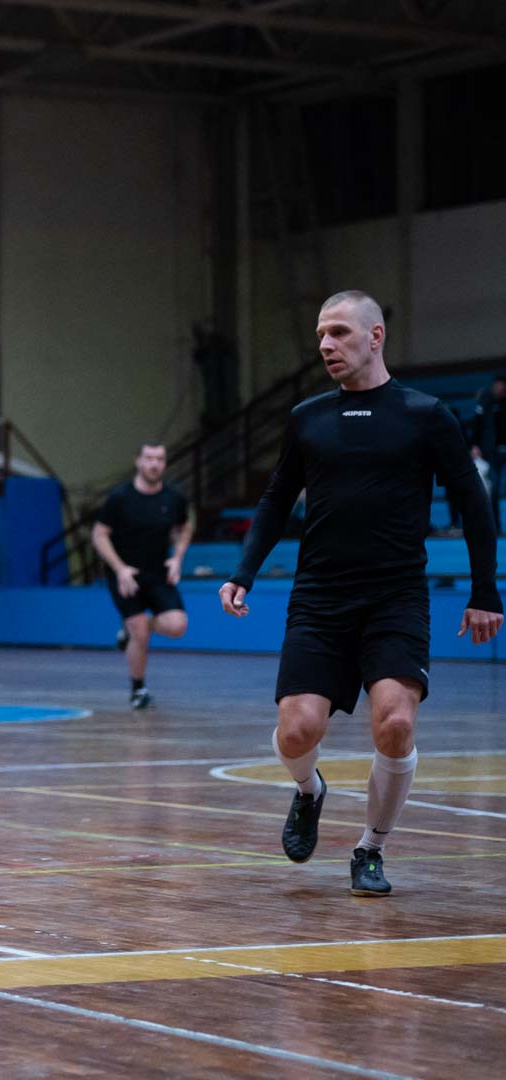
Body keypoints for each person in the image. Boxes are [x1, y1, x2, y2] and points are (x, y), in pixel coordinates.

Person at [220, 290, 501, 898]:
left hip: (395, 598)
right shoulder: (307, 418)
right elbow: (275, 500)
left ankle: (370, 848)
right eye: (321, 334)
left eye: (340, 332)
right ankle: (309, 790)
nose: (326, 344)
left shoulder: (426, 415)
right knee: (297, 731)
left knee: (395, 723)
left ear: (375, 337)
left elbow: (474, 504)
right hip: (320, 598)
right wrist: (243, 572)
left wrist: (486, 590)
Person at [92, 443, 192, 710]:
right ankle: (138, 689)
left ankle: (132, 628)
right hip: (126, 575)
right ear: (138, 461)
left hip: (158, 572)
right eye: (149, 458)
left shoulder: (173, 498)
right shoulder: (120, 497)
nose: (154, 464)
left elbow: (185, 528)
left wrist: (177, 558)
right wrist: (120, 568)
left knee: (177, 625)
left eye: (159, 459)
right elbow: (99, 535)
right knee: (139, 632)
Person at [467, 374, 506, 528]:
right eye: (499, 384)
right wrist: (474, 445)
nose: (501, 388)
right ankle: (494, 525)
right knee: (493, 488)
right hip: (491, 453)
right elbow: (476, 425)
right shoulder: (486, 401)